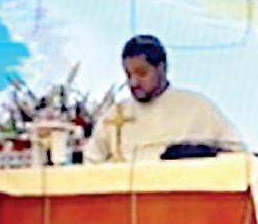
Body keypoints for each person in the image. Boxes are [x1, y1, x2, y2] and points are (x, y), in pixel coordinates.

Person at [83, 34, 243, 163]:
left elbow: (238, 156)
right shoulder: (115, 115)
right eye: (128, 74)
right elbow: (91, 163)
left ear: (162, 68)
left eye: (141, 73)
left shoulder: (198, 108)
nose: (133, 82)